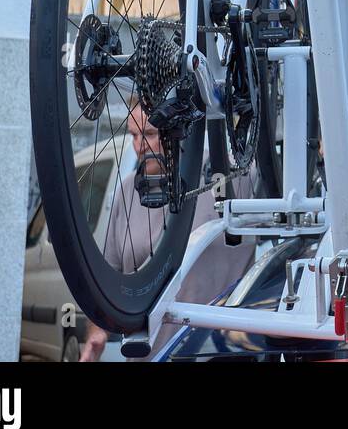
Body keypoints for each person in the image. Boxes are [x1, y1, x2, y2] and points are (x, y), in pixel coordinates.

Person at [79, 100, 254, 361]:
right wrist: (97, 332)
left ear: (178, 130)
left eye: (149, 134)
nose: (139, 146)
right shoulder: (127, 191)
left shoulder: (228, 177)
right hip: (150, 356)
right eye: (133, 135)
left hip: (221, 354)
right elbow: (108, 282)